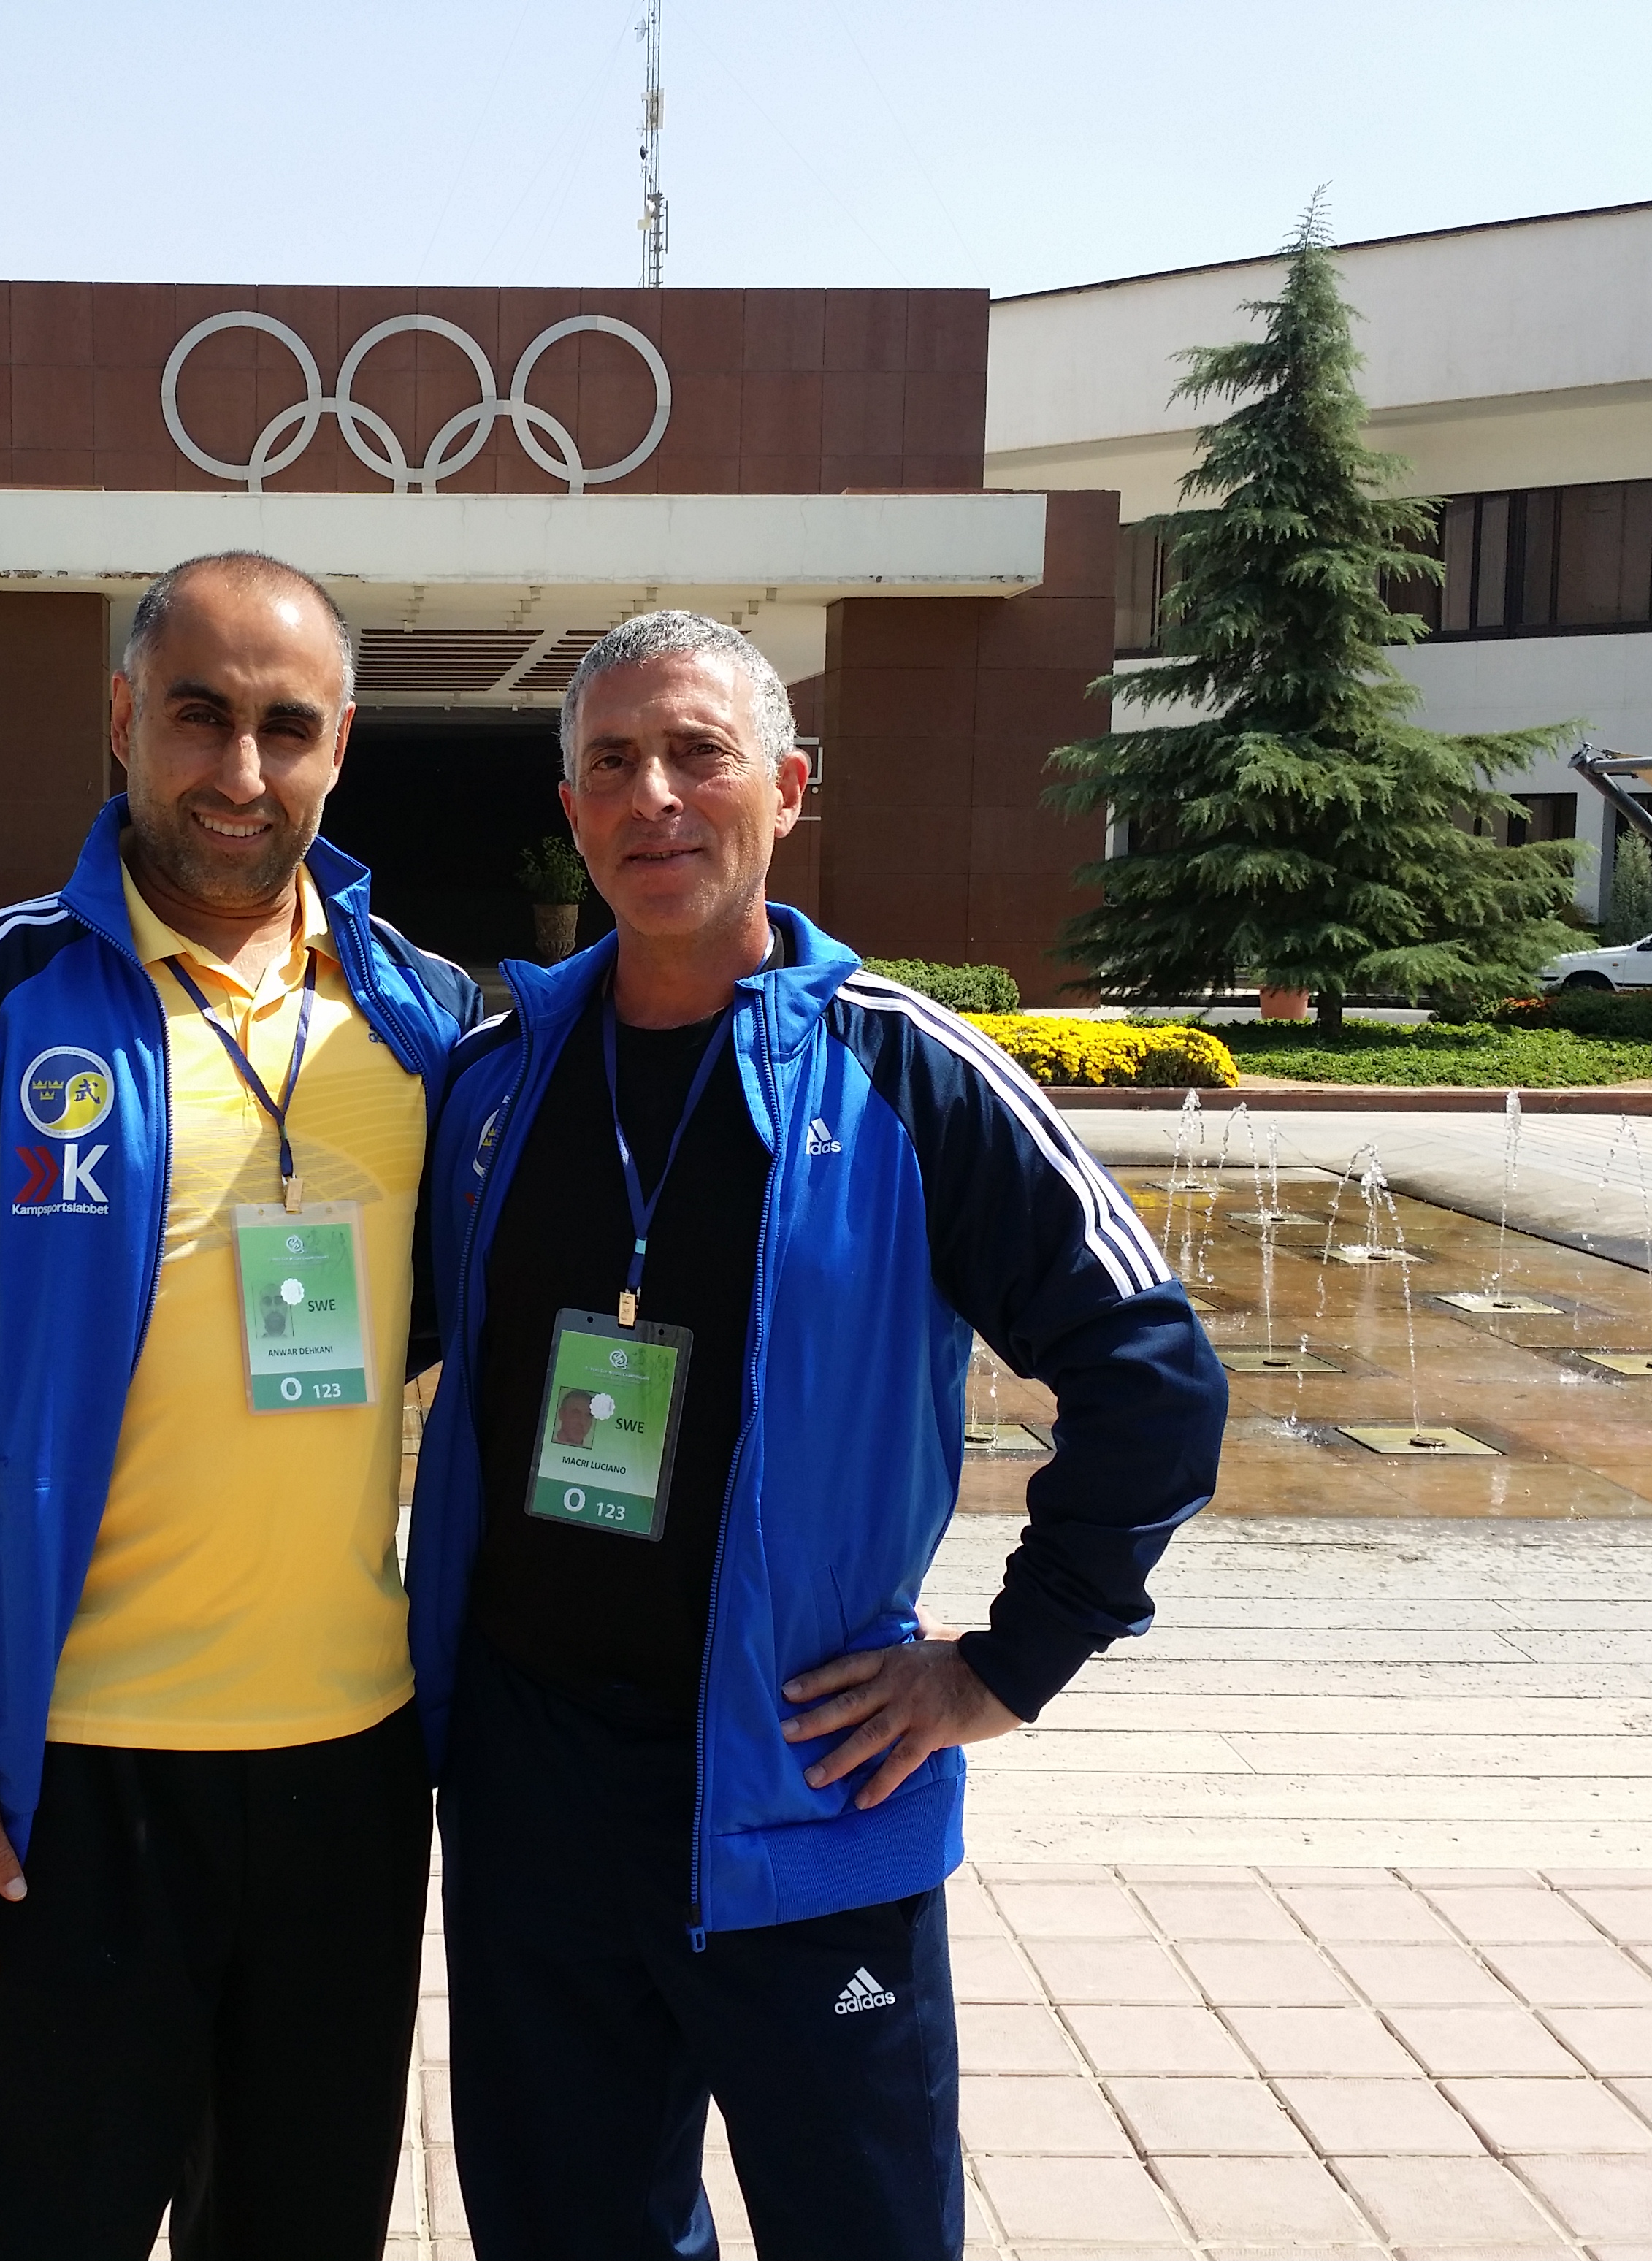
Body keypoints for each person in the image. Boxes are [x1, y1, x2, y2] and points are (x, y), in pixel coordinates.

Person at [408, 611, 1228, 2261]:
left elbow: (1155, 1376)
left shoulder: (909, 1074)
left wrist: (1002, 1671)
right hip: (532, 1799)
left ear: (785, 788)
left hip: (805, 1784)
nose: (657, 795)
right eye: (613, 762)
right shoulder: (493, 1079)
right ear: (569, 809)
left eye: (698, 754)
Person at [0, 550, 481, 2261]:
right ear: (121, 721)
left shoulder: (426, 1019)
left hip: (346, 1770)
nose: (240, 775)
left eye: (285, 728)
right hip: (58, 1789)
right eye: (199, 717)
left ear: (342, 749)